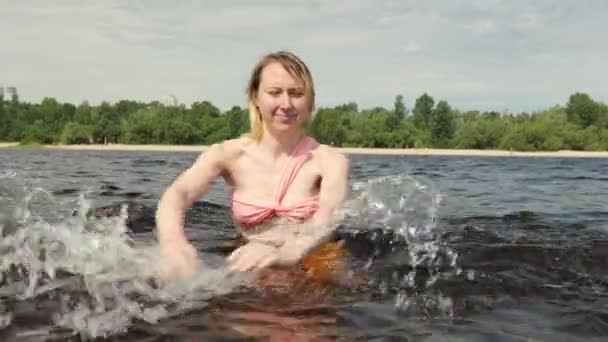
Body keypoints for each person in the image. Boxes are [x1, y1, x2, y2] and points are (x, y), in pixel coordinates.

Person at [155, 50, 350, 283]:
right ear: (255, 97)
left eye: (296, 93)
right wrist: (174, 244)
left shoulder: (330, 162)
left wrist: (285, 252)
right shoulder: (228, 155)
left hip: (314, 263)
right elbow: (177, 195)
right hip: (252, 258)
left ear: (310, 101)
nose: (286, 104)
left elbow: (326, 220)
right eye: (275, 93)